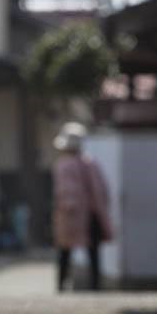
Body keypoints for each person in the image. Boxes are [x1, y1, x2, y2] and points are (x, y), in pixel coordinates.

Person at [51, 122, 113, 291]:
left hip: (69, 215)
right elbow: (103, 190)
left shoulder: (62, 165)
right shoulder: (91, 163)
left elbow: (63, 193)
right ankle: (95, 285)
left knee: (65, 250)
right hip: (92, 214)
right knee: (92, 252)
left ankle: (61, 285)